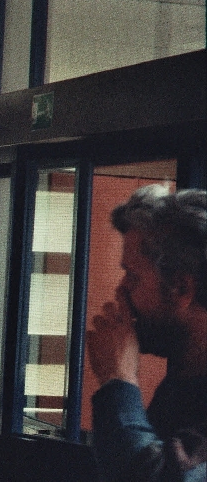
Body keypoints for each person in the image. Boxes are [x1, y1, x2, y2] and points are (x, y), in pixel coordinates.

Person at [87, 184, 207, 482]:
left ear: (181, 288)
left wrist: (118, 381)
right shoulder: (184, 381)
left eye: (133, 276)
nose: (121, 290)